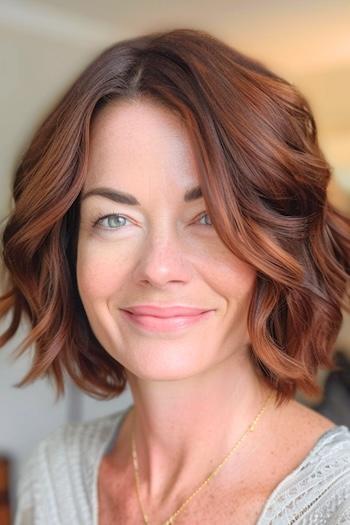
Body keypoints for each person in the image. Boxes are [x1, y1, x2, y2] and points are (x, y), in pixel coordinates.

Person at [1, 28, 349, 525]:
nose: (159, 268)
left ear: (278, 244)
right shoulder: (53, 473)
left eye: (207, 218)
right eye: (114, 220)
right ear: (68, 251)